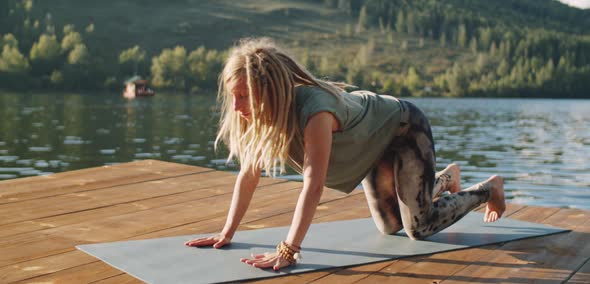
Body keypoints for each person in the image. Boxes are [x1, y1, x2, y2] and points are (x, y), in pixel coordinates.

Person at [184, 37, 505, 271]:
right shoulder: (260, 117)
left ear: (270, 91)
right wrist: (226, 233)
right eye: (233, 97)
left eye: (244, 97)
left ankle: (488, 188)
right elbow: (249, 174)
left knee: (419, 229)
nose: (237, 107)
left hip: (404, 131)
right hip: (371, 147)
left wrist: (289, 248)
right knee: (390, 227)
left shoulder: (314, 111)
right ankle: (443, 178)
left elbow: (313, 182)